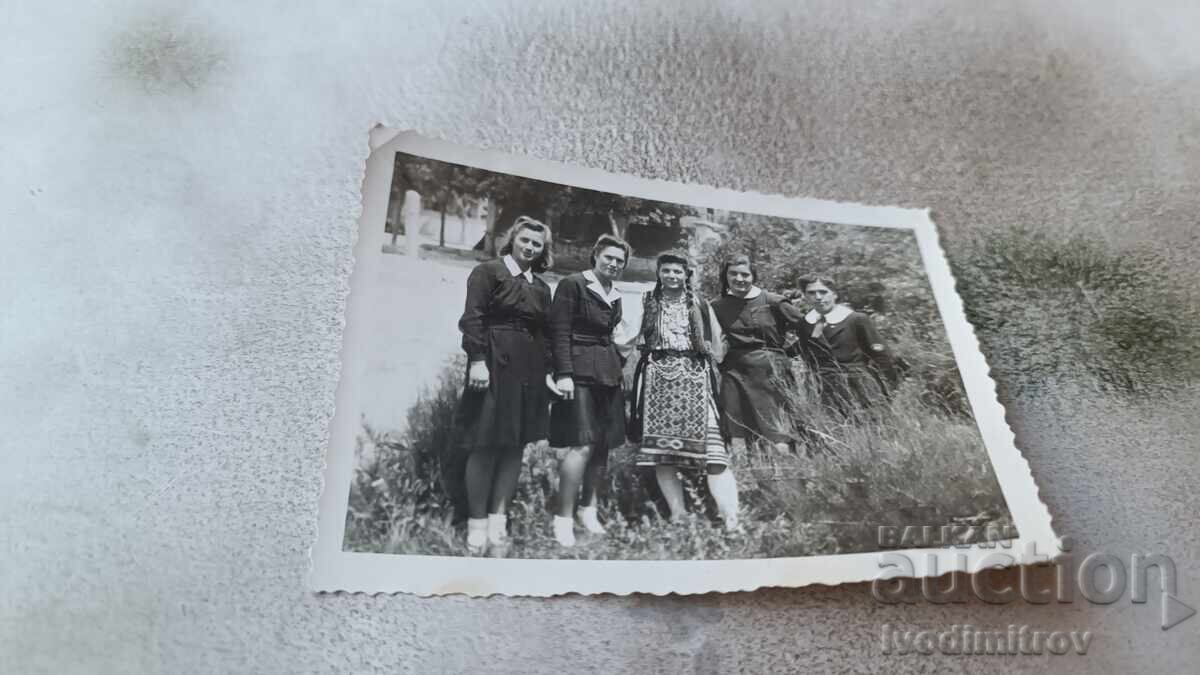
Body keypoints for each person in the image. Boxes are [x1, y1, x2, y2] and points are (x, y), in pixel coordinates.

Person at [454, 216, 556, 555]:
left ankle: (499, 521)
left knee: (515, 445)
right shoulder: (489, 272)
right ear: (513, 239)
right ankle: (476, 524)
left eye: (536, 244)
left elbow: (546, 334)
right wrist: (478, 361)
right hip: (493, 364)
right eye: (525, 240)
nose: (529, 247)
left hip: (529, 369)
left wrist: (548, 373)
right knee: (484, 443)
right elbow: (473, 319)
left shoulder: (541, 287)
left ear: (543, 250)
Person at [630, 252, 740, 530]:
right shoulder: (647, 301)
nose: (672, 276)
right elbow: (628, 336)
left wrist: (714, 364)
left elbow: (717, 342)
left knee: (714, 452)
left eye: (677, 272)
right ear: (659, 273)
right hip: (659, 380)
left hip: (695, 378)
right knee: (661, 452)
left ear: (686, 275)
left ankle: (732, 519)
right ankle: (679, 515)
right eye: (666, 271)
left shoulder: (700, 303)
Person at [548, 234, 636, 547]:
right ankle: (563, 518)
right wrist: (563, 374)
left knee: (602, 446)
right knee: (581, 444)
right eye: (609, 257)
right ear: (595, 255)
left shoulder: (616, 294)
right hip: (578, 372)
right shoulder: (573, 284)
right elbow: (558, 331)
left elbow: (615, 336)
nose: (613, 264)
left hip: (608, 374)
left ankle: (589, 509)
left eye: (619, 261)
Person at [710, 255, 807, 459]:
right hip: (734, 375)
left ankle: (785, 477)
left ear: (753, 276)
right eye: (733, 274)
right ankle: (748, 478)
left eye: (745, 274)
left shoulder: (773, 301)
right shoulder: (717, 306)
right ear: (725, 276)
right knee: (738, 432)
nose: (739, 279)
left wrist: (789, 353)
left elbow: (808, 328)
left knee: (777, 431)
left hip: (771, 373)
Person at [794, 276, 898, 417]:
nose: (818, 297)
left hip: (861, 386)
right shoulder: (805, 323)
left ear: (834, 294)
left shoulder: (856, 319)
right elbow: (808, 355)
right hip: (826, 390)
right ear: (805, 296)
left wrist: (887, 389)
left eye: (823, 292)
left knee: (874, 427)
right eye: (811, 293)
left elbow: (882, 356)